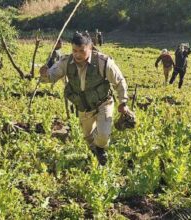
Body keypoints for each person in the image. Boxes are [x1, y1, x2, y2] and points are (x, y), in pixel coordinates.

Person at [39, 32, 130, 165]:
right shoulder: (66, 62)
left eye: (82, 51)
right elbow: (51, 76)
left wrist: (123, 102)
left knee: (103, 135)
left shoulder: (103, 62)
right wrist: (45, 74)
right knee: (88, 137)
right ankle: (95, 155)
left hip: (103, 103)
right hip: (83, 107)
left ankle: (100, 151)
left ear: (90, 48)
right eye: (74, 51)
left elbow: (119, 81)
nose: (77, 54)